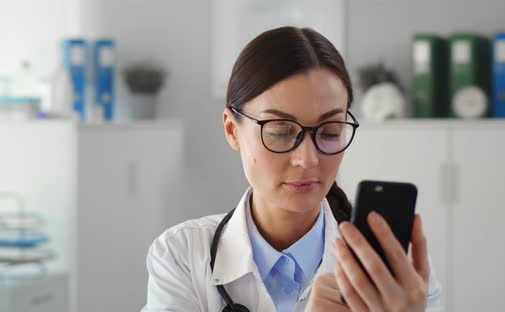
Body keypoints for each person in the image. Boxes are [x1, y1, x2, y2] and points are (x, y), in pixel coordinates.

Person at [142, 26, 443, 312]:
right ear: (232, 130)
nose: (308, 159)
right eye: (280, 130)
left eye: (329, 131)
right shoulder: (182, 255)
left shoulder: (395, 272)